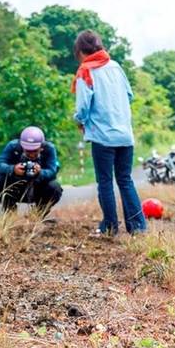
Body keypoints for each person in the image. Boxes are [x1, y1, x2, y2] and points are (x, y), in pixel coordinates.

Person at [72, 30, 147, 235]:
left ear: (79, 51)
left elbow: (83, 107)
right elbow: (129, 95)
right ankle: (137, 227)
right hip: (125, 135)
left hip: (102, 137)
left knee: (105, 181)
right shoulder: (116, 67)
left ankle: (111, 226)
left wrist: (79, 121)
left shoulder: (85, 71)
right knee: (125, 179)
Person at [0, 126, 63, 214]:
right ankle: (10, 211)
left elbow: (52, 171)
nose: (31, 154)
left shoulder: (49, 149)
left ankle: (40, 213)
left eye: (35, 151)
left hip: (39, 187)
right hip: (17, 185)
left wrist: (40, 172)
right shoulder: (13, 146)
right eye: (28, 151)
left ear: (41, 147)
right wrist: (13, 169)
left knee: (54, 187)